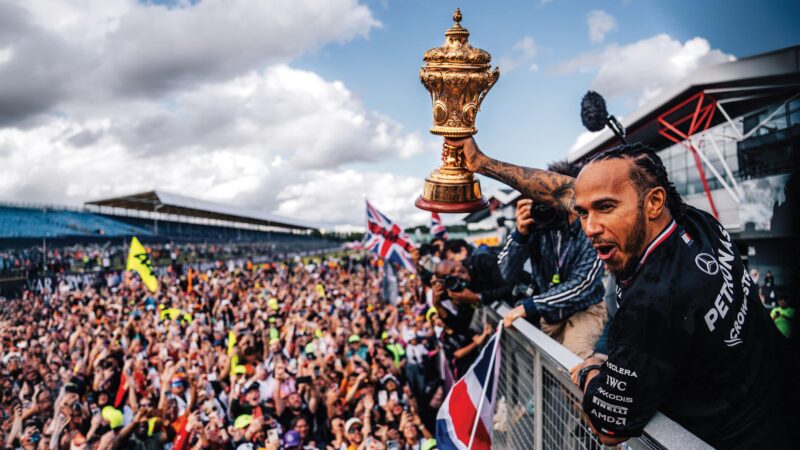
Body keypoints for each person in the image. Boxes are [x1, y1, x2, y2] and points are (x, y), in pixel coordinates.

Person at [452, 136, 793, 448]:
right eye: (583, 212)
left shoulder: (651, 305)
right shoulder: (694, 221)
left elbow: (607, 429)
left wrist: (590, 371)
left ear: (654, 202)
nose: (589, 227)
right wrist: (481, 162)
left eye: (605, 208)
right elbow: (559, 192)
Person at [499, 160, 607, 359]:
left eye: (555, 199)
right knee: (549, 368)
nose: (549, 206)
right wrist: (519, 235)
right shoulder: (537, 225)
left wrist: (529, 306)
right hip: (549, 315)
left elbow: (583, 284)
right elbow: (504, 274)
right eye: (544, 197)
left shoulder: (590, 228)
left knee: (571, 363)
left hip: (584, 310)